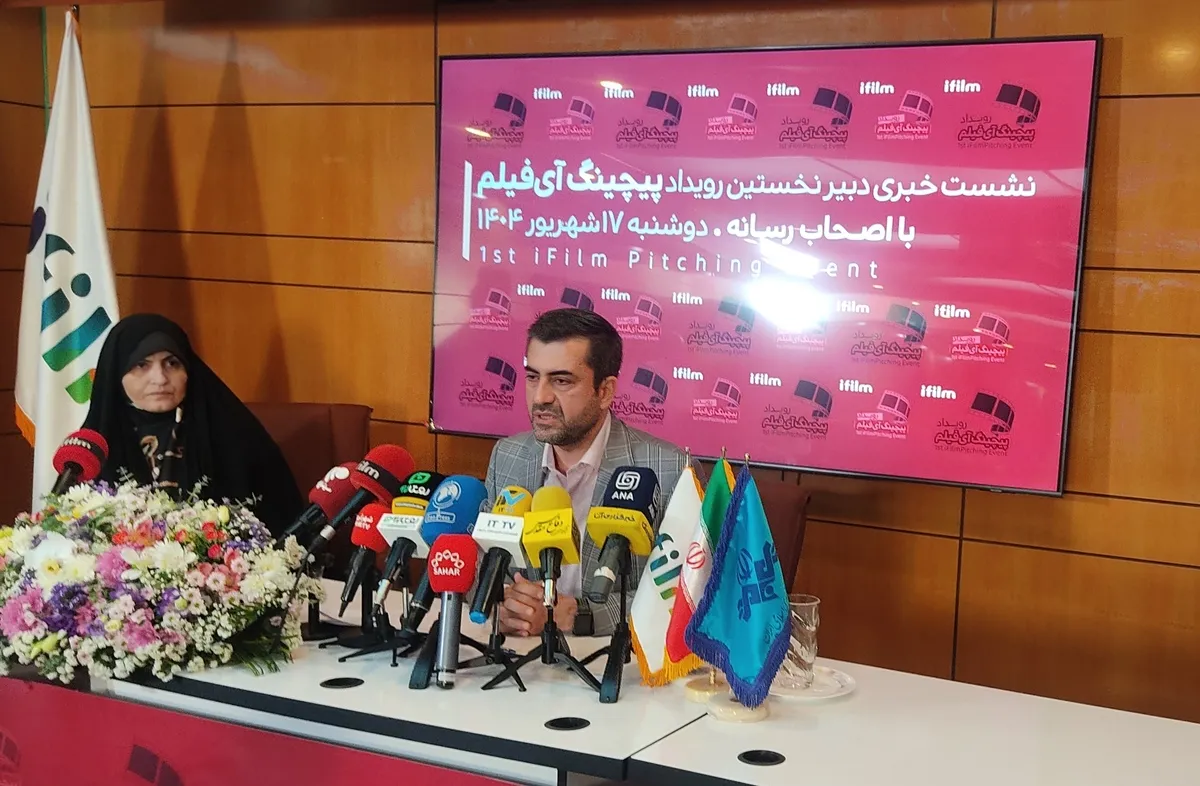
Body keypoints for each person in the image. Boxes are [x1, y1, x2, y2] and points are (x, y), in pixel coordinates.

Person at [484, 308, 687, 638]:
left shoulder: (670, 470)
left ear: (605, 391)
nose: (540, 397)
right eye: (533, 377)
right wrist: (505, 604)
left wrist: (579, 616)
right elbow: (480, 563)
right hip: (521, 650)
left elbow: (685, 592)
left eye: (561, 381)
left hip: (615, 656)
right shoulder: (508, 457)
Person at [82, 313, 305, 536]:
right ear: (117, 373)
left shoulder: (235, 435)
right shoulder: (94, 443)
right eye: (141, 365)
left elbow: (281, 525)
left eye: (172, 363)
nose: (160, 378)